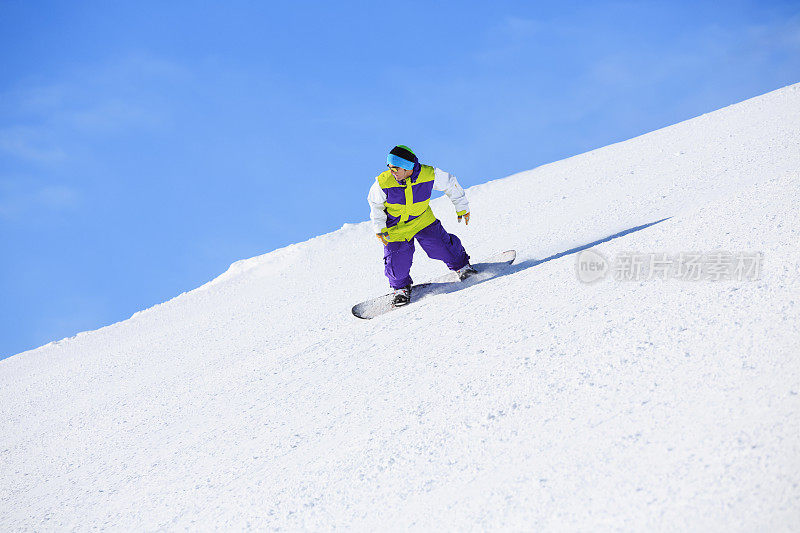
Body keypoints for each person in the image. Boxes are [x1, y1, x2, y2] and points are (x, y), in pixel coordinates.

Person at [368, 145, 476, 306]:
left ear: (407, 167)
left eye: (396, 168)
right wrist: (379, 228)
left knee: (441, 246)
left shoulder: (428, 174)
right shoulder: (383, 182)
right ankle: (400, 289)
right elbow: (375, 205)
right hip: (396, 227)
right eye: (389, 167)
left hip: (422, 219)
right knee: (397, 262)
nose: (392, 171)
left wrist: (461, 207)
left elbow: (450, 184)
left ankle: (462, 267)